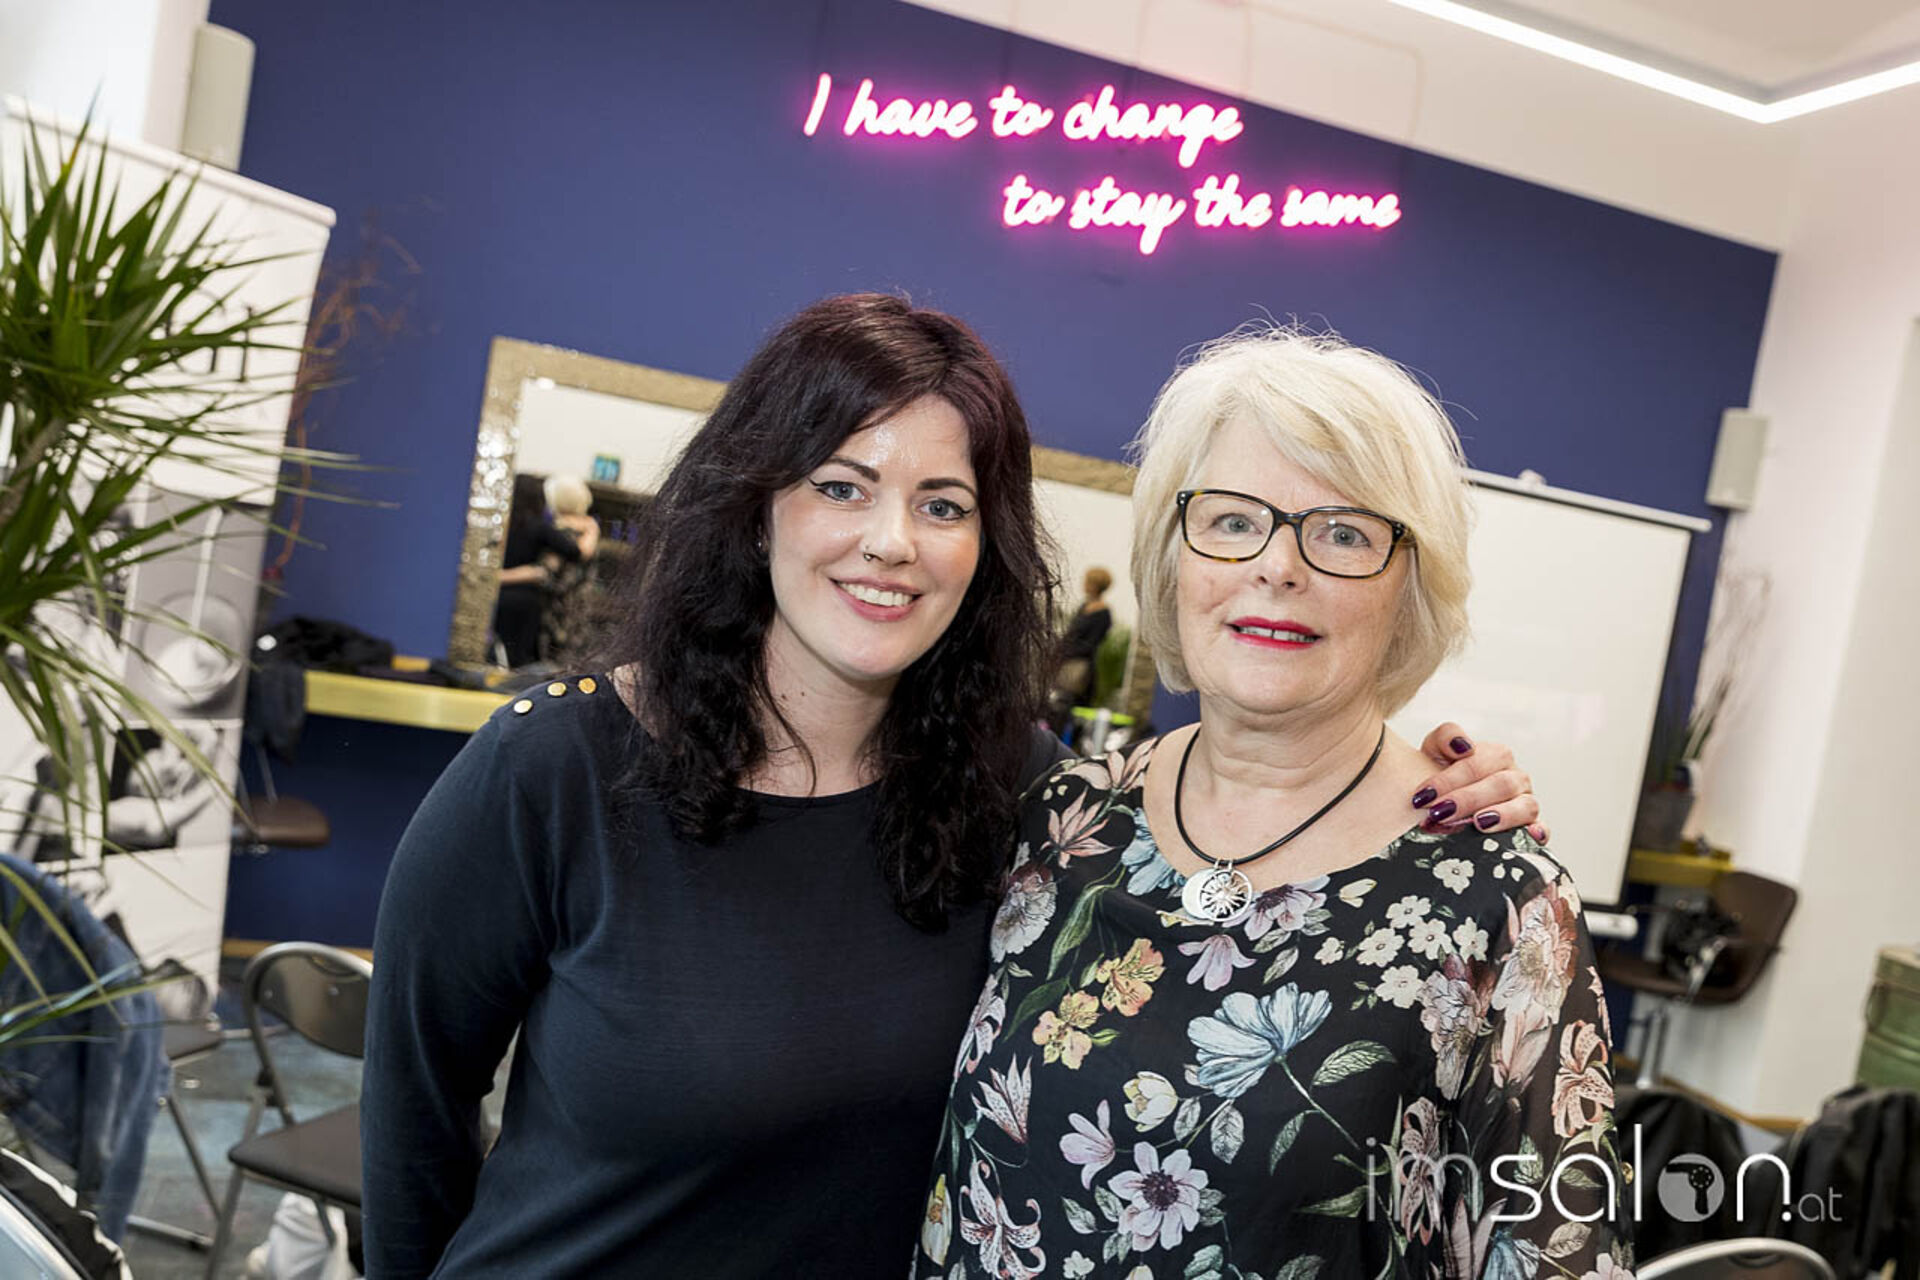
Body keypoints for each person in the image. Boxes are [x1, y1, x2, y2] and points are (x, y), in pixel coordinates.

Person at [361, 296, 1546, 1277]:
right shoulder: (559, 766)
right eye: (842, 484)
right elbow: (412, 1119)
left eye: (943, 504)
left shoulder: (1025, 799)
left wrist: (1439, 781)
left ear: (984, 550)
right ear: (755, 505)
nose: (892, 540)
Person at [914, 328, 1630, 1279]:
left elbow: (1560, 1250)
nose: (1278, 566)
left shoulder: (1498, 903)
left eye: (1344, 532)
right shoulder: (1058, 819)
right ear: (1173, 558)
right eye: (1232, 520)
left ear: (1411, 589)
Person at [490, 472, 581, 666]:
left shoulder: (498, 522)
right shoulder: (538, 526)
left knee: (496, 653)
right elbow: (573, 551)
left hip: (496, 595)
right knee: (518, 661)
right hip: (526, 600)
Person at [1048, 566, 1115, 732]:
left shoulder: (1103, 613)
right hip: (1064, 665)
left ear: (1094, 585)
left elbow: (1091, 644)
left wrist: (1067, 652)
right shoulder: (1084, 606)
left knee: (1071, 711)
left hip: (1080, 670)